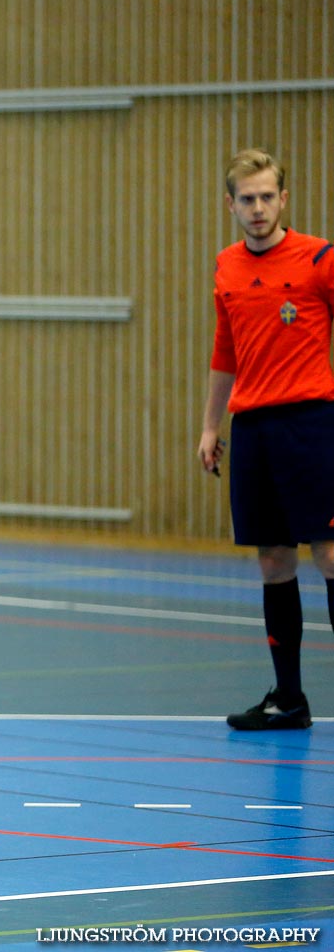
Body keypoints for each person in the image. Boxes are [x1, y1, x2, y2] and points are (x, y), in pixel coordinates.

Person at [198, 148, 334, 731]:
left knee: (330, 554)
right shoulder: (227, 266)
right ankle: (289, 698)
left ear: (284, 199)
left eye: (266, 197)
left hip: (310, 425)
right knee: (274, 560)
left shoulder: (319, 259)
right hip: (252, 429)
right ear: (231, 204)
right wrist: (211, 425)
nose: (257, 208)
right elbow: (224, 351)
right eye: (246, 199)